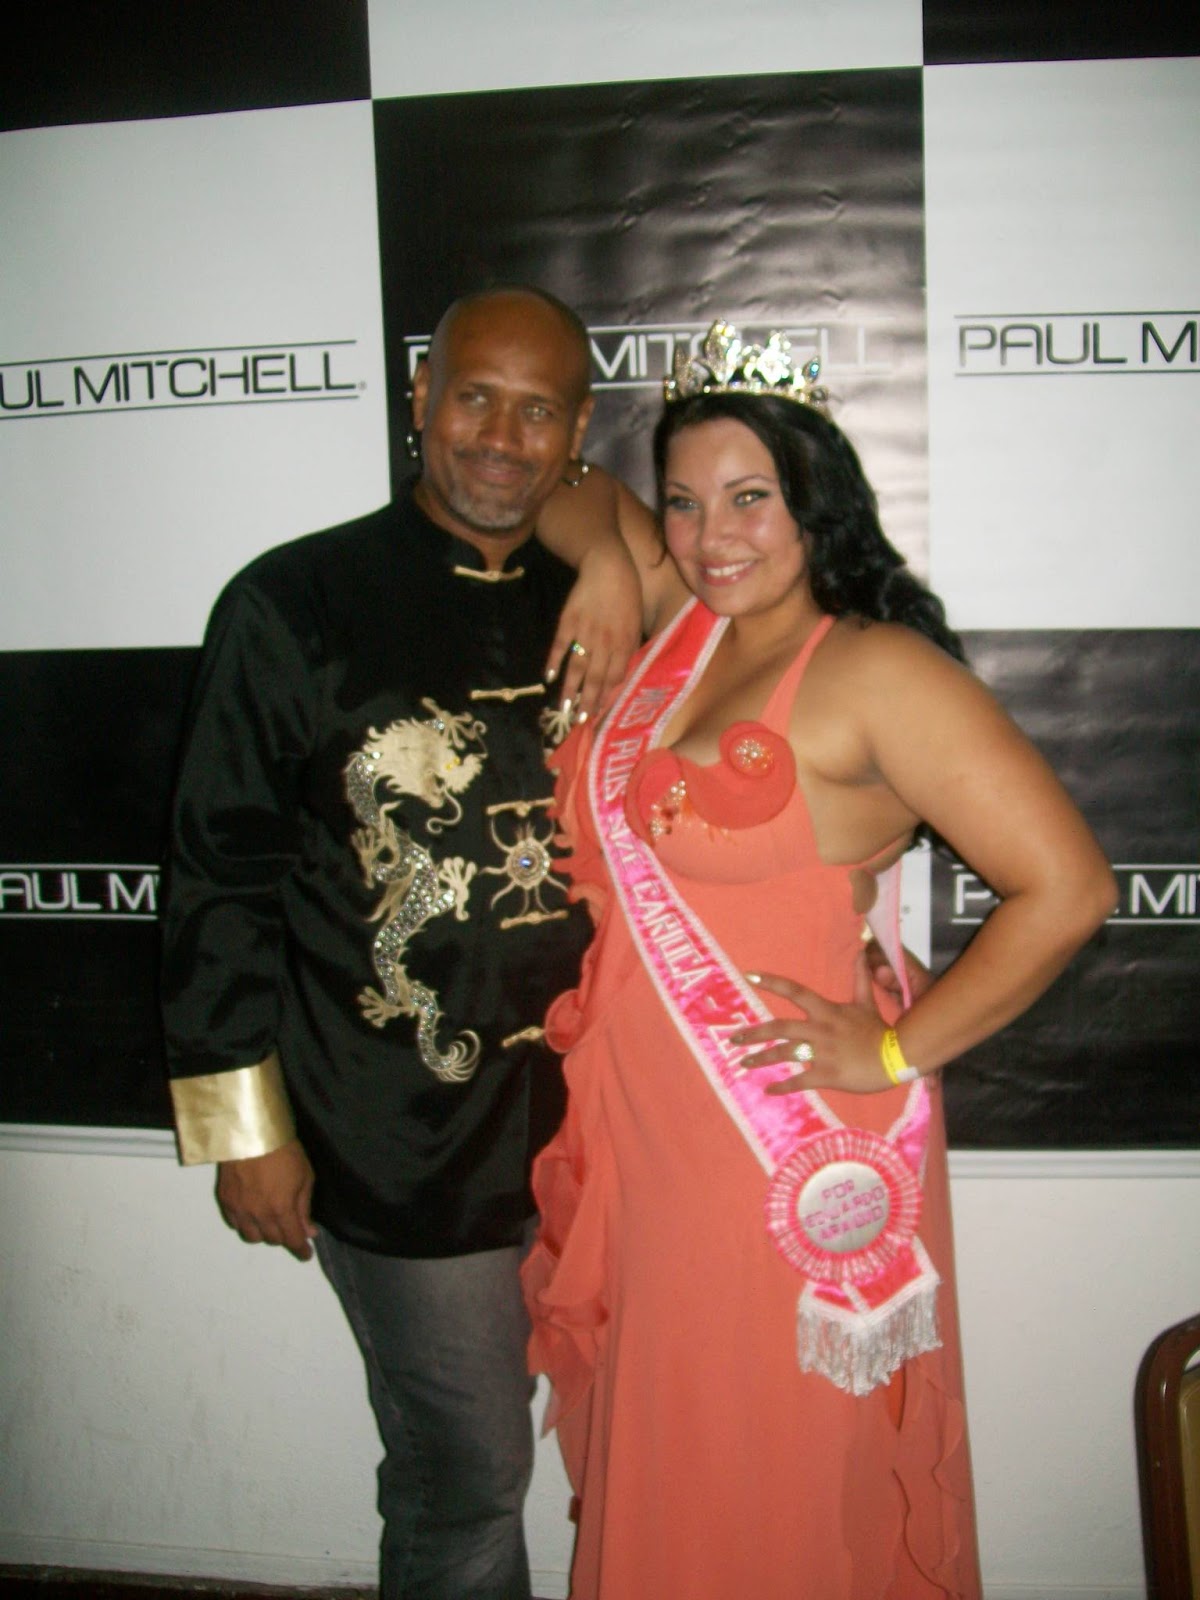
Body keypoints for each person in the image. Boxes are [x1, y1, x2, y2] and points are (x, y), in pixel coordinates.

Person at [522, 321, 1118, 1599]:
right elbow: (563, 489)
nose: (711, 534)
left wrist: (896, 1048)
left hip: (775, 1143)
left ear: (815, 499)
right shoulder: (687, 622)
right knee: (675, 1444)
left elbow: (1069, 890)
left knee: (761, 1466)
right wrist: (612, 566)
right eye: (684, 501)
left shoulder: (870, 668)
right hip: (648, 1133)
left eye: (751, 496)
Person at [160, 286, 643, 1600]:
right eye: (474, 396)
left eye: (537, 411)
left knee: (629, 1445)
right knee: (468, 1474)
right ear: (420, 396)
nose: (500, 437)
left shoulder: (609, 599)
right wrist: (243, 1127)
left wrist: (608, 554)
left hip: (607, 1127)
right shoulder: (294, 602)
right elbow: (218, 874)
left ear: (577, 432)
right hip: (399, 1133)